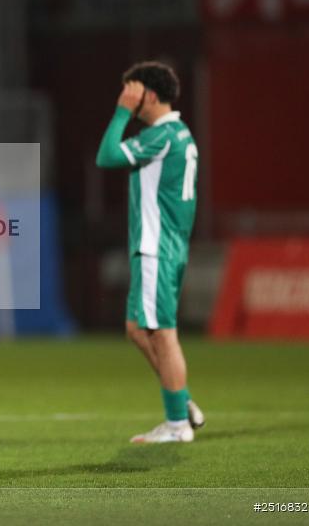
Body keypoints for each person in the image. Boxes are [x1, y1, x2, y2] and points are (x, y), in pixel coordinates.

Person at [95, 61, 205, 443]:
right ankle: (183, 401)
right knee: (136, 330)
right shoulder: (179, 133)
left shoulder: (163, 134)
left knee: (161, 333)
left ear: (151, 95)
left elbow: (107, 156)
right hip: (162, 246)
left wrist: (122, 112)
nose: (127, 96)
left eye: (133, 90)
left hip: (158, 246)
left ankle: (177, 425)